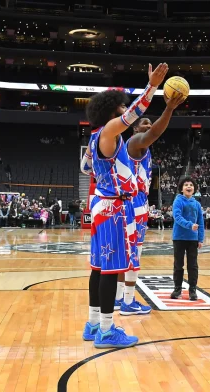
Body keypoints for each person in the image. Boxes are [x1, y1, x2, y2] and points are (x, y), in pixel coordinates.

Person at [81, 62, 168, 349]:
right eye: (121, 106)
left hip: (102, 205)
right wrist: (152, 87)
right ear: (112, 111)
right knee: (109, 270)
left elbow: (85, 167)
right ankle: (107, 331)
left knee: (98, 268)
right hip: (113, 209)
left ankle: (93, 323)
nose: (125, 110)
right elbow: (134, 113)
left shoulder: (97, 137)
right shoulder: (108, 131)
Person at [117, 93, 186, 315]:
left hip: (130, 202)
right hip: (134, 203)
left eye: (150, 122)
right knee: (134, 253)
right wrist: (170, 109)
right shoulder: (136, 142)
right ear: (135, 129)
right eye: (145, 123)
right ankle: (128, 301)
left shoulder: (135, 145)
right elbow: (155, 132)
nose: (149, 125)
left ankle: (118, 298)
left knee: (125, 253)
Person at [171, 177, 205, 301]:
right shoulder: (178, 201)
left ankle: (192, 290)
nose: (189, 186)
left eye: (191, 185)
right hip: (179, 238)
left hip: (192, 239)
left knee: (193, 265)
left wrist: (200, 238)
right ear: (182, 189)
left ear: (194, 189)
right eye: (186, 185)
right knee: (178, 265)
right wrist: (189, 225)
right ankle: (177, 289)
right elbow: (177, 217)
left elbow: (200, 221)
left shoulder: (197, 204)